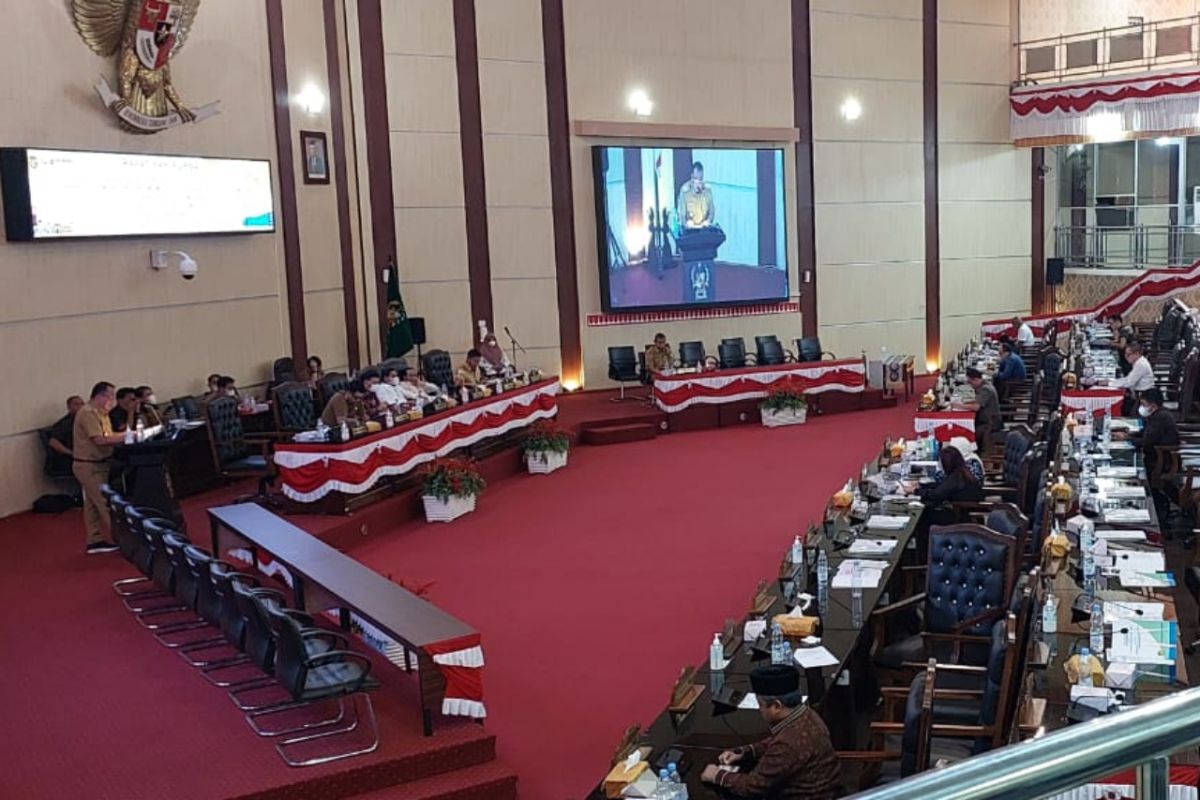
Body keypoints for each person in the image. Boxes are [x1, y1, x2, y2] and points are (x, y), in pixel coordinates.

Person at [700, 665, 840, 799]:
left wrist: (717, 775)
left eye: (760, 704)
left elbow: (753, 787)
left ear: (777, 706)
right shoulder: (806, 714)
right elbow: (775, 742)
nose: (759, 710)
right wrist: (744, 752)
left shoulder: (788, 743)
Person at [73, 382, 127, 554]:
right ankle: (125, 541)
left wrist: (125, 435)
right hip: (89, 466)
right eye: (111, 395)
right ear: (100, 395)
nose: (113, 399)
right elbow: (99, 440)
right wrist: (126, 437)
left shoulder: (102, 413)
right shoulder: (88, 413)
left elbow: (108, 435)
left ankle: (94, 540)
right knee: (104, 503)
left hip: (99, 463)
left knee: (92, 504)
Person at [1119, 387, 1180, 524]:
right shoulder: (1158, 415)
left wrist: (1127, 439)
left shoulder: (1159, 418)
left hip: (1163, 463)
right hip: (1160, 458)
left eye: (1143, 404)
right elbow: (1146, 434)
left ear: (1152, 405)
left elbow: (1147, 442)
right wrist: (1129, 435)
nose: (1141, 408)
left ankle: (1155, 510)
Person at [917, 444, 985, 504]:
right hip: (962, 510)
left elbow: (935, 494)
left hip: (959, 512)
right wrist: (921, 486)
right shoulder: (962, 473)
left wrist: (916, 491)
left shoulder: (955, 478)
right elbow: (941, 486)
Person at [957, 368, 1003, 441]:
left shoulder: (986, 389)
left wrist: (958, 405)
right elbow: (976, 399)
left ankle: (977, 450)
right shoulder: (982, 385)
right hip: (984, 420)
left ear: (976, 380)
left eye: (970, 382)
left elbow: (976, 407)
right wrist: (963, 401)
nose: (969, 385)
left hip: (991, 423)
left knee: (966, 432)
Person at [48, 395, 85, 473]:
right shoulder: (65, 423)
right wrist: (71, 453)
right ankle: (101, 485)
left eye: (82, 404)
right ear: (69, 407)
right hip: (69, 459)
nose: (80, 406)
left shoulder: (83, 421)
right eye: (76, 404)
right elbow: (53, 442)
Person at [677, 161, 716, 229]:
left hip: (704, 230)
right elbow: (682, 216)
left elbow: (712, 212)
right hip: (689, 231)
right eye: (695, 179)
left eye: (700, 179)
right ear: (691, 177)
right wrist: (686, 223)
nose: (698, 182)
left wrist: (708, 221)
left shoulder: (707, 191)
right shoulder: (685, 191)